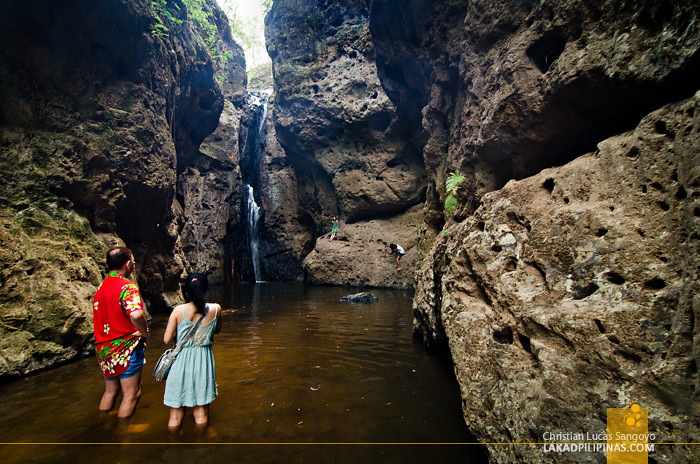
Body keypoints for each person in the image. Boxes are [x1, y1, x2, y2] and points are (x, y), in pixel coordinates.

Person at [93, 247, 149, 418]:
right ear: (127, 264)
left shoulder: (101, 288)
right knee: (132, 393)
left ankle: (105, 427)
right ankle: (123, 436)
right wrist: (143, 331)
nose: (133, 264)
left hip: (103, 348)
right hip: (124, 347)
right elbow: (136, 314)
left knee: (110, 392)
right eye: (132, 261)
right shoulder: (127, 286)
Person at [163, 273, 222, 429]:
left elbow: (166, 339)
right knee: (201, 412)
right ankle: (202, 446)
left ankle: (173, 446)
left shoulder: (177, 311)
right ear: (206, 290)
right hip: (203, 363)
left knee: (175, 414)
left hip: (180, 363)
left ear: (186, 292)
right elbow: (217, 331)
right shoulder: (216, 309)